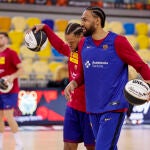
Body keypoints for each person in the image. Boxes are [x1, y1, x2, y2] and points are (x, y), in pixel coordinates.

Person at [64, 6, 150, 150]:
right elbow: (82, 73)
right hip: (93, 108)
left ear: (97, 21)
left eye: (85, 20)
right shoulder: (83, 43)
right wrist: (73, 82)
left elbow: (141, 65)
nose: (82, 23)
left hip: (114, 107)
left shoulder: (118, 42)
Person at [32, 23, 95, 150]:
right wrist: (45, 28)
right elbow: (60, 45)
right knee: (68, 146)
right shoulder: (71, 51)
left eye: (71, 41)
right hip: (72, 107)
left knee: (92, 147)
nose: (69, 45)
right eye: (68, 41)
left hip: (90, 110)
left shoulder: (92, 53)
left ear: (81, 36)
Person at [0, 32, 24, 150]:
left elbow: (21, 70)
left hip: (10, 91)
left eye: (1, 37)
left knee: (9, 117)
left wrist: (12, 77)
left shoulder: (11, 53)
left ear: (7, 40)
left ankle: (19, 144)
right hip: (0, 90)